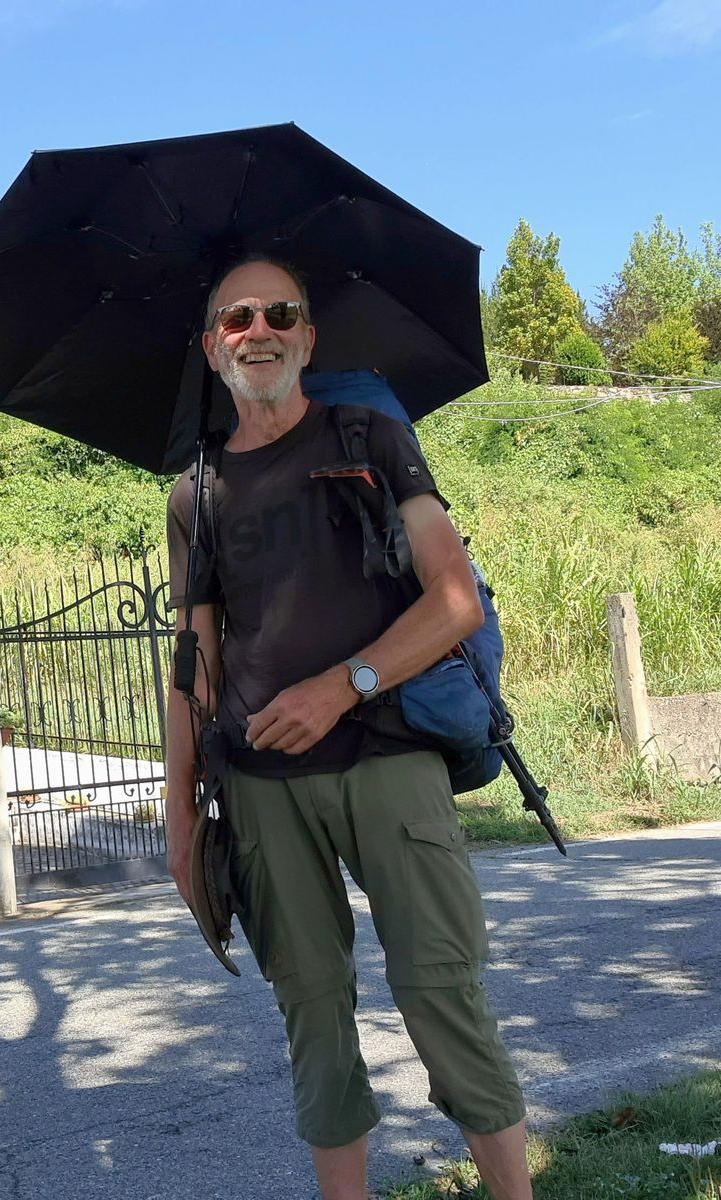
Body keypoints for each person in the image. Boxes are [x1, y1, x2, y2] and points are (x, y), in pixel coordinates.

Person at [164, 257, 532, 1200]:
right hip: (261, 786)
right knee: (313, 1014)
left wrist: (342, 685)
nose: (260, 330)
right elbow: (195, 661)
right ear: (213, 348)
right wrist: (179, 816)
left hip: (387, 755)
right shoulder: (195, 490)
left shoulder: (370, 435)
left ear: (309, 336)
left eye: (280, 313)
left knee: (442, 993)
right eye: (237, 318)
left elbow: (454, 601)